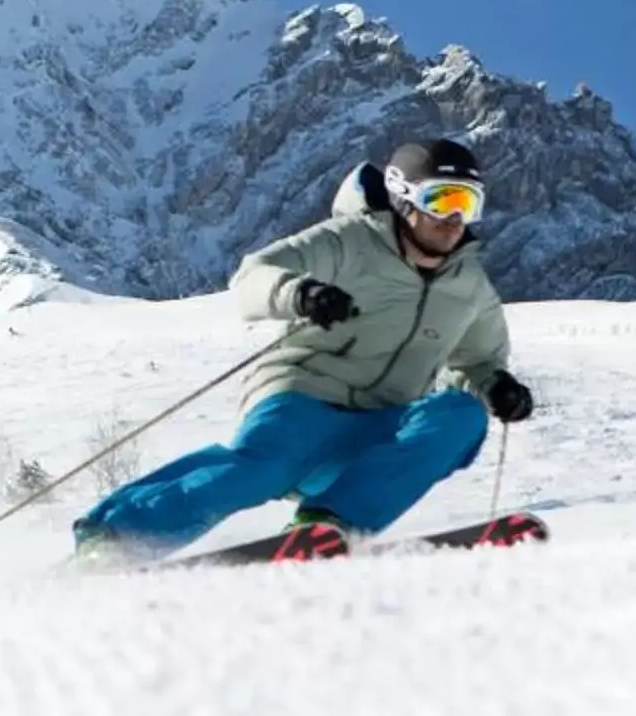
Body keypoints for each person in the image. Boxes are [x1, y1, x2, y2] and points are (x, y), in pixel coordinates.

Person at [72, 137, 533, 563]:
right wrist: (301, 294)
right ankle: (114, 538)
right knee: (263, 469)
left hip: (380, 426)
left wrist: (496, 386)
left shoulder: (470, 287)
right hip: (302, 399)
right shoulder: (350, 241)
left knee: (460, 415)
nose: (456, 218)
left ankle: (331, 523)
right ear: (403, 196)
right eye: (443, 199)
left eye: (469, 204)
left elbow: (477, 361)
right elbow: (255, 274)